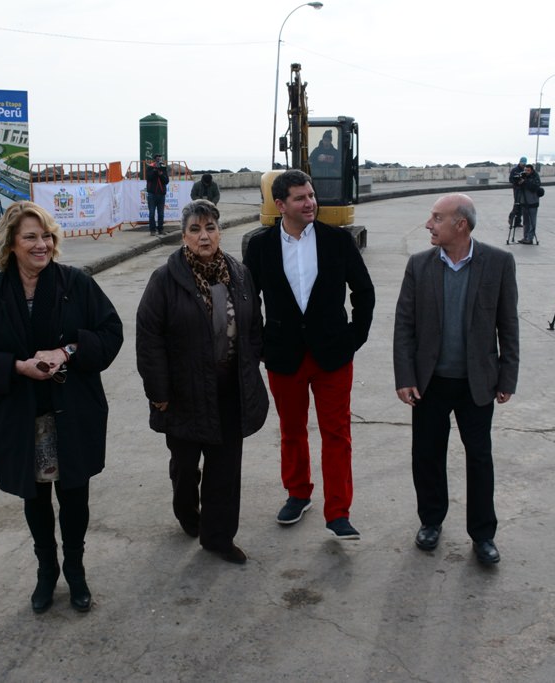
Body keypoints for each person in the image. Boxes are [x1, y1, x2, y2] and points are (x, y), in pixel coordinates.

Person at [0, 201, 124, 615]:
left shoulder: (75, 283)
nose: (41, 245)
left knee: (75, 495)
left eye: (46, 236)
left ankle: (76, 569)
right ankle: (46, 570)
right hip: (20, 417)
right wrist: (17, 366)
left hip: (73, 411)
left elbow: (111, 332)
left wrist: (66, 352)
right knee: (35, 498)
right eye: (30, 237)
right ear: (10, 244)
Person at [243, 169, 375, 539]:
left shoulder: (338, 241)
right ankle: (298, 493)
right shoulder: (260, 246)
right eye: (300, 198)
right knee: (291, 431)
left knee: (337, 433)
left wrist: (354, 338)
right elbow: (248, 300)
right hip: (284, 356)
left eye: (311, 195)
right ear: (280, 204)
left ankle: (338, 512)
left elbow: (364, 291)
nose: (310, 203)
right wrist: (260, 344)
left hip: (333, 355)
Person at [136, 199, 269, 564]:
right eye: (195, 229)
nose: (204, 236)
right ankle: (186, 510)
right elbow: (149, 338)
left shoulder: (239, 274)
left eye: (210, 228)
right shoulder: (165, 280)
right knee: (185, 465)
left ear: (219, 232)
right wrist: (158, 391)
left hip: (230, 391)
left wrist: (250, 365)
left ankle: (218, 538)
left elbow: (253, 325)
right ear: (184, 237)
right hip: (183, 393)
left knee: (225, 470)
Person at [393, 193, 519, 566]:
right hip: (429, 382)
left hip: (476, 382)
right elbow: (404, 326)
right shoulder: (419, 265)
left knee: (479, 458)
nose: (428, 224)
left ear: (460, 225)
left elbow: (508, 324)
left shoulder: (498, 262)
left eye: (437, 218)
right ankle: (431, 521)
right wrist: (405, 376)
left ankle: (483, 534)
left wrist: (507, 376)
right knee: (427, 454)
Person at [517, 164, 542, 245]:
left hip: (532, 202)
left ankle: (530, 238)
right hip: (524, 202)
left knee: (532, 222)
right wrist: (519, 182)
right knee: (525, 221)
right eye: (525, 170)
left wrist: (525, 182)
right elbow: (518, 186)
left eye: (528, 170)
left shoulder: (535, 177)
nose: (526, 172)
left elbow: (534, 187)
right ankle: (525, 237)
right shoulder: (523, 176)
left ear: (532, 170)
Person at [146, 154, 170, 236]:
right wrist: (154, 171)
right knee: (152, 213)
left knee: (161, 213)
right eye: (157, 159)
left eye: (160, 159)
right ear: (154, 160)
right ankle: (152, 230)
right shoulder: (150, 168)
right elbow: (149, 178)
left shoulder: (163, 168)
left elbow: (166, 181)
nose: (159, 161)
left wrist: (161, 174)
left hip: (161, 194)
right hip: (152, 194)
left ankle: (160, 229)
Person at [508, 157, 527, 229]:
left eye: (524, 163)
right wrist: (517, 182)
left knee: (522, 205)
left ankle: (518, 222)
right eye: (522, 163)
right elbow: (511, 179)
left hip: (523, 189)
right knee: (517, 204)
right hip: (517, 189)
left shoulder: (525, 170)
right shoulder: (515, 170)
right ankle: (511, 217)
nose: (523, 165)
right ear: (520, 162)